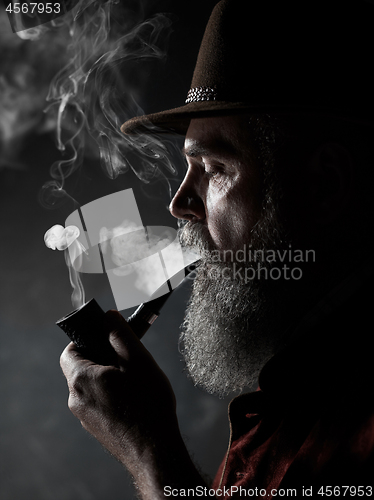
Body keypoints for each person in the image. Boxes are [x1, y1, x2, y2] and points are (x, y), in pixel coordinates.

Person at [60, 0, 374, 498]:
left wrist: (149, 452)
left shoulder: (358, 417)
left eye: (213, 168)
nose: (179, 202)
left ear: (323, 183)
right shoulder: (297, 383)